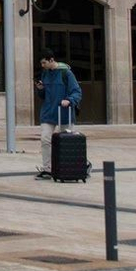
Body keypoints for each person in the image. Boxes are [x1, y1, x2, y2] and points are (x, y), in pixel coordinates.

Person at [34, 48, 82, 179]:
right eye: (41, 63)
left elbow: (77, 92)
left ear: (51, 60)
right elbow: (44, 95)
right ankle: (47, 168)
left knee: (67, 143)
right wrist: (41, 89)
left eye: (44, 63)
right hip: (48, 112)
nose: (42, 66)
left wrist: (69, 100)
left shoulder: (66, 73)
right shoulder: (45, 74)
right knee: (45, 139)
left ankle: (70, 167)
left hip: (64, 113)